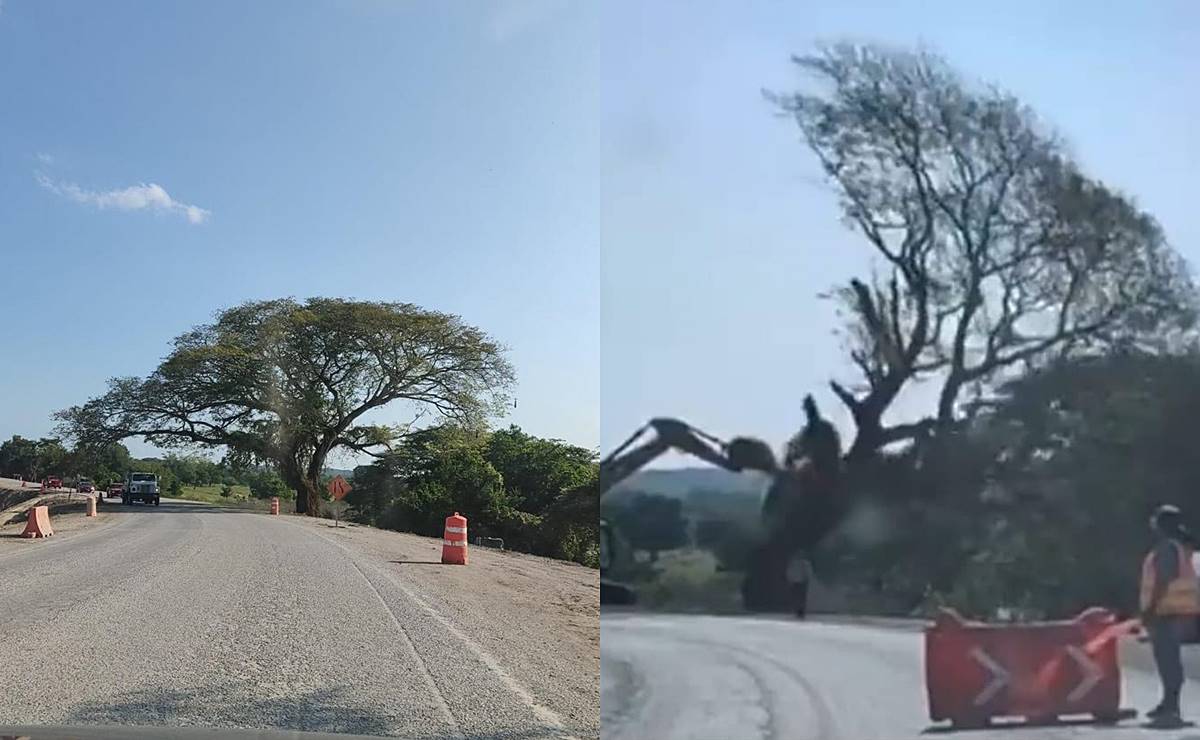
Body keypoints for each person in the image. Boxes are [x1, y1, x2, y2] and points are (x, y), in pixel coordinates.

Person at [1140, 504, 1200, 727]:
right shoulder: (1179, 546)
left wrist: (1150, 609)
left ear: (1162, 524)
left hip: (1165, 611)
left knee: (1168, 661)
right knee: (1167, 660)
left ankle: (1171, 709)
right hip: (1173, 612)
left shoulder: (1167, 548)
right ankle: (1167, 704)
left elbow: (1163, 581)